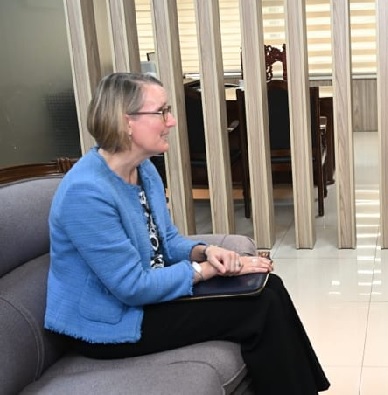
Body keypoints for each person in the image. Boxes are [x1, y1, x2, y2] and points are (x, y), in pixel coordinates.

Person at [45, 72, 330, 394]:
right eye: (161, 112)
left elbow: (166, 242)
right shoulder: (86, 193)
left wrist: (206, 252)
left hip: (145, 300)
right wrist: (206, 271)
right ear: (126, 122)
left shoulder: (143, 169)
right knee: (258, 307)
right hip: (111, 324)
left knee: (269, 287)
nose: (172, 121)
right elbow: (132, 288)